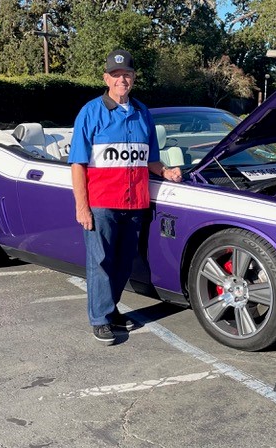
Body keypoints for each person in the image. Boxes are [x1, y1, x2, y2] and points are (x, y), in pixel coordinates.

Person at [68, 49, 182, 345]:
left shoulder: (143, 112)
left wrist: (166, 171)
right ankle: (100, 318)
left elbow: (150, 160)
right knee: (101, 262)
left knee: (123, 263)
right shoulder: (91, 112)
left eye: (127, 75)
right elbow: (78, 163)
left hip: (134, 203)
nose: (122, 80)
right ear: (106, 78)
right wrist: (82, 207)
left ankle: (110, 309)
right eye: (116, 75)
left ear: (134, 78)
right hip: (102, 203)